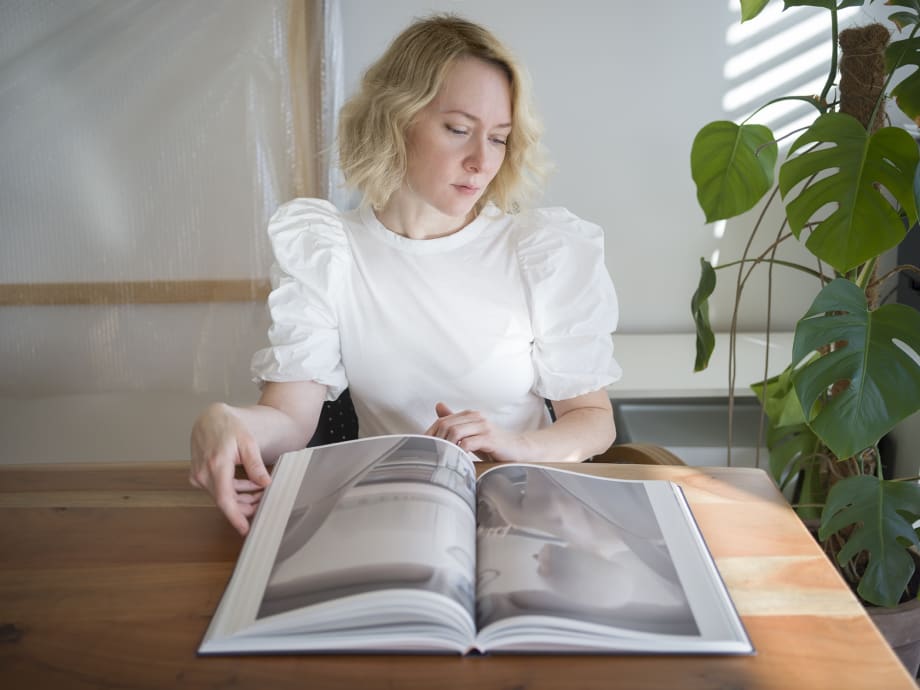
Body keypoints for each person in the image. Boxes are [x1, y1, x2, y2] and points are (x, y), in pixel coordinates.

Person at [190, 14, 622, 536]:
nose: (480, 161)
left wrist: (513, 445)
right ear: (396, 120)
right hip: (394, 520)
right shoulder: (329, 251)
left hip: (534, 517)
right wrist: (228, 420)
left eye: (499, 138)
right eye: (459, 130)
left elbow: (594, 422)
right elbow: (289, 419)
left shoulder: (539, 251)